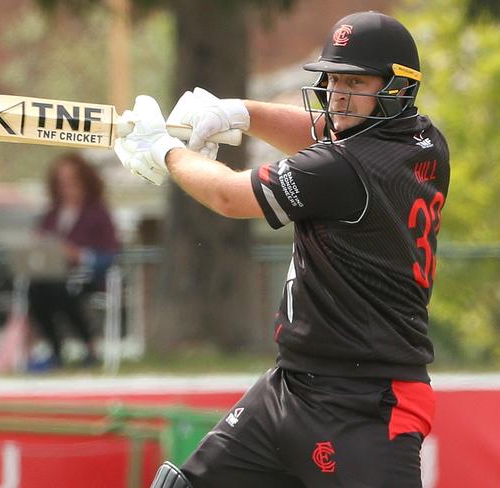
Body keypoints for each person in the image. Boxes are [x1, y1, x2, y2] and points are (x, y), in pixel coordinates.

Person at [114, 11, 449, 488]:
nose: (337, 94)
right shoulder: (426, 143)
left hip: (367, 404)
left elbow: (229, 196)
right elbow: (329, 136)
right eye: (333, 79)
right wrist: (240, 113)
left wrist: (165, 151)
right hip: (290, 387)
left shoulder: (341, 170)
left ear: (397, 88)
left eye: (355, 82)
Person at [26, 153, 120, 370]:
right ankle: (55, 350)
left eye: (72, 182)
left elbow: (110, 256)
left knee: (59, 289)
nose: (67, 188)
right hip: (52, 276)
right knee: (37, 289)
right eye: (61, 183)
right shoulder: (51, 215)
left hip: (87, 278)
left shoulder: (98, 214)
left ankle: (89, 346)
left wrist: (77, 255)